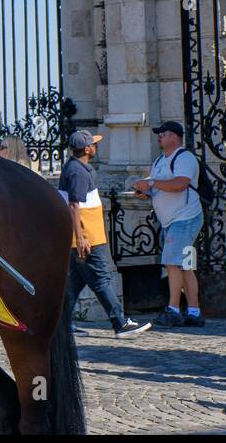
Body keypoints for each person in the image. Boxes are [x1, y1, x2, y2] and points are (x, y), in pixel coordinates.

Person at [60, 130, 149, 338]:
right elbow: (74, 205)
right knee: (101, 279)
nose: (96, 146)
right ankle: (120, 323)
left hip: (85, 235)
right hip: (86, 237)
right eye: (94, 144)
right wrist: (81, 237)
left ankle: (61, 324)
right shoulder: (77, 171)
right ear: (87, 148)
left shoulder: (77, 168)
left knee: (75, 281)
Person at [132, 121, 206, 327]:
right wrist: (146, 191)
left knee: (172, 263)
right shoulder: (158, 161)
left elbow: (180, 184)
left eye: (162, 134)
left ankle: (173, 310)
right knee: (185, 266)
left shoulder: (185, 158)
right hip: (173, 221)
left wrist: (152, 183)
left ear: (174, 137)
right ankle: (194, 312)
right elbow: (160, 188)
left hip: (184, 219)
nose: (159, 137)